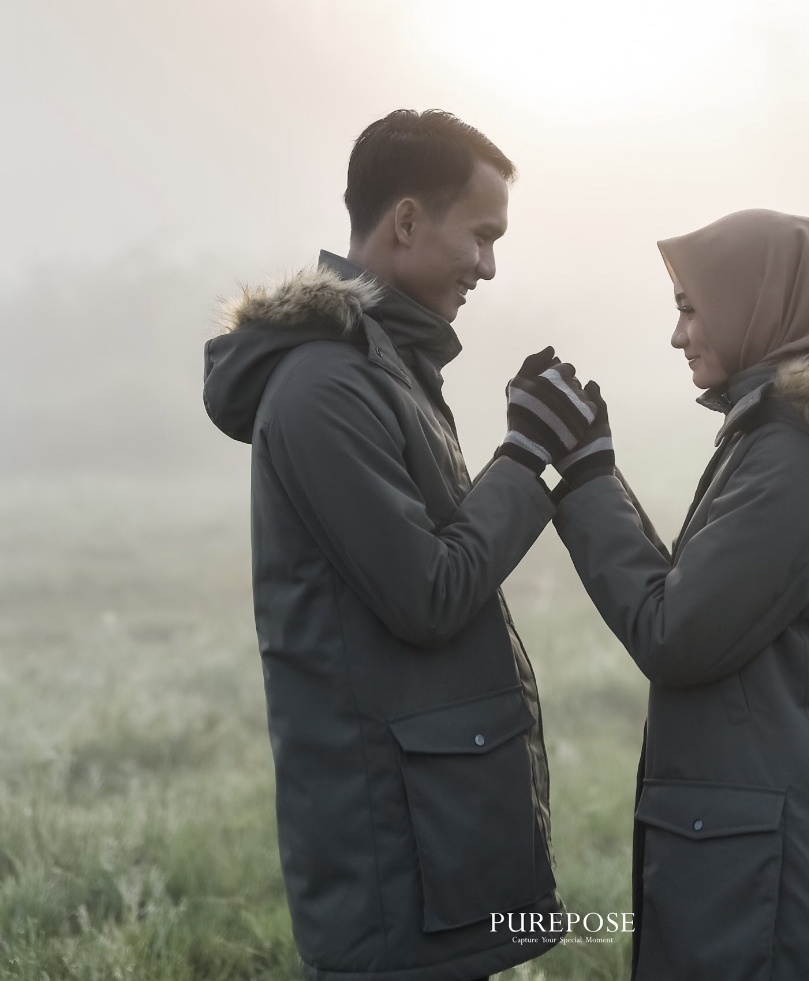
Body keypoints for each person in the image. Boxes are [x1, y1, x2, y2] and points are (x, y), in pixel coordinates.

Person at [203, 109, 595, 981]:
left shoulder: (385, 368)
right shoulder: (324, 387)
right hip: (391, 846)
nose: (489, 265)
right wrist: (525, 455)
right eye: (482, 235)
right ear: (408, 220)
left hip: (430, 830)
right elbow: (429, 592)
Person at [550, 208, 809, 981]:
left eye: (690, 308)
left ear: (757, 304)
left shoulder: (795, 457)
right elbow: (696, 595)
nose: (678, 335)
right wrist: (594, 469)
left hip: (768, 874)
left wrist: (589, 478)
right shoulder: (772, 436)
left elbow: (676, 630)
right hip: (758, 852)